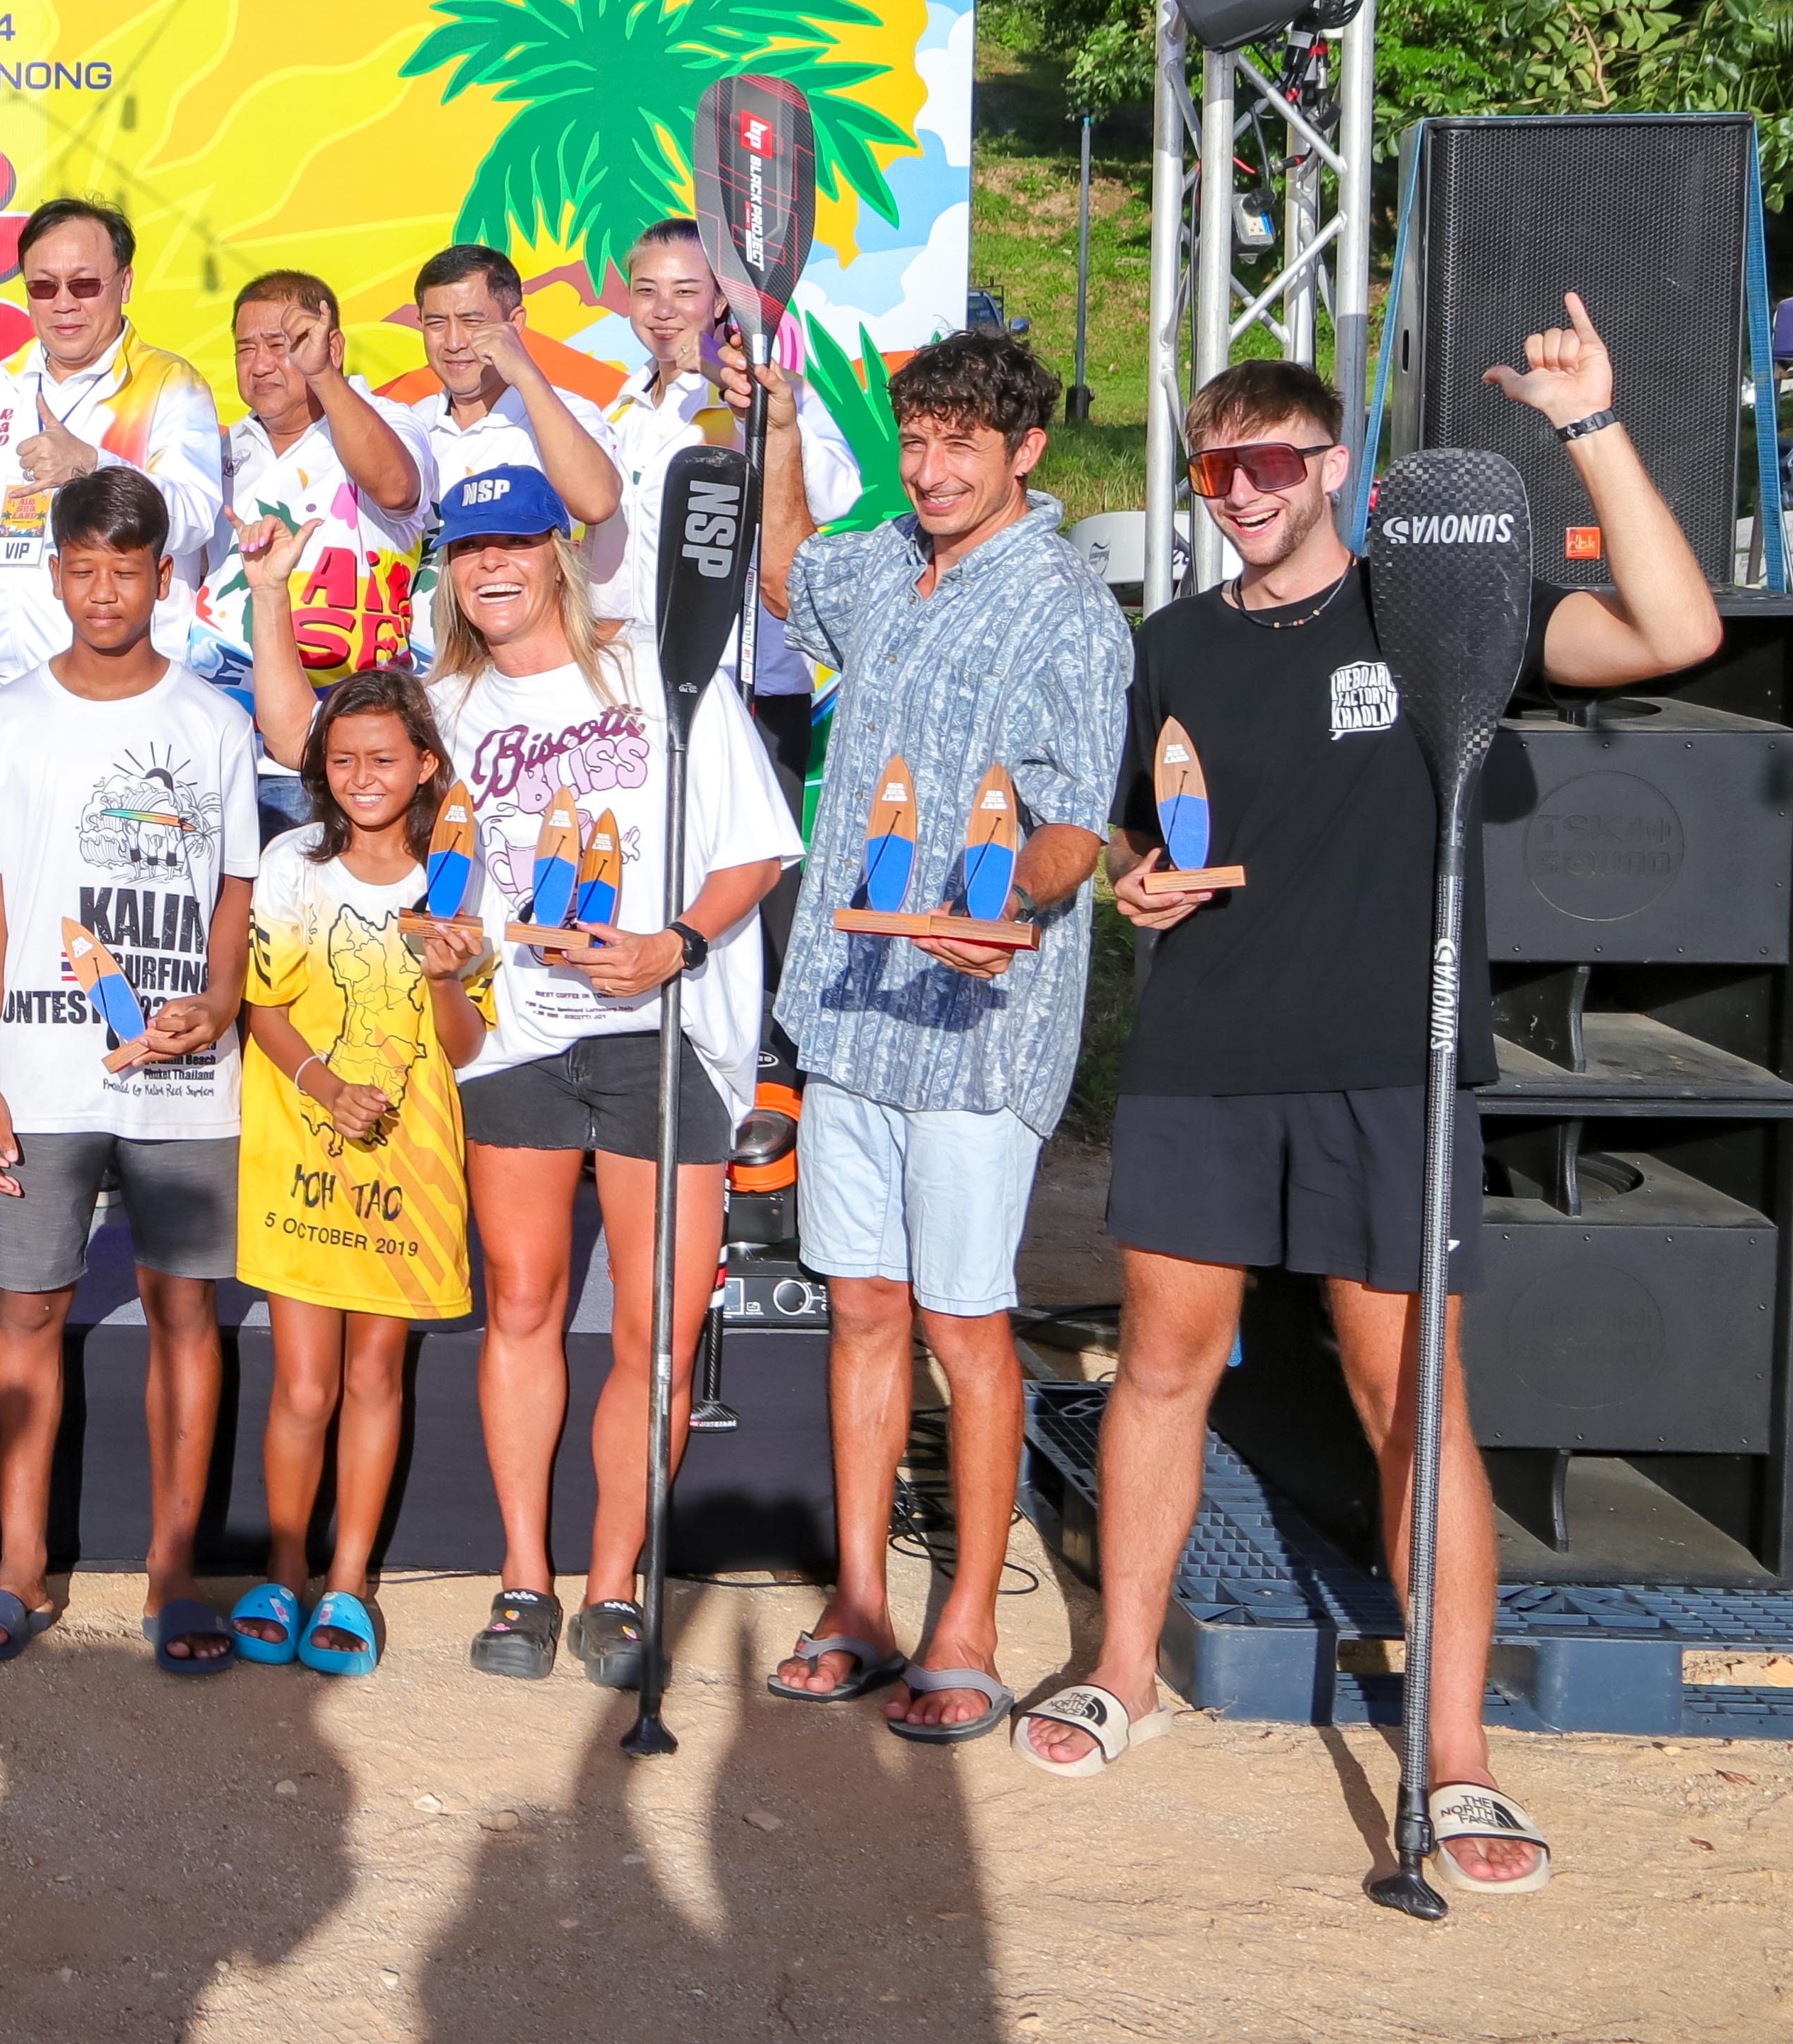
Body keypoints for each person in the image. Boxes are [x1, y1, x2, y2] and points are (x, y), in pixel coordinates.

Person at [1018, 312, 1715, 1893]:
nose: (1244, 493)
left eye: (1272, 463)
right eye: (1216, 471)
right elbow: (1136, 834)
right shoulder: (1172, 642)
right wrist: (1132, 880)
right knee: (1163, 1367)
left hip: (1387, 1060)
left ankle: (1456, 1757)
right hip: (1205, 1054)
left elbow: (1672, 631)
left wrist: (1590, 426)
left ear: (1333, 465)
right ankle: (1122, 1671)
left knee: (1412, 1400)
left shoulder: (1434, 605)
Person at [754, 330, 1126, 1742]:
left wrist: (1010, 901)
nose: (934, 467)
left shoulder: (1066, 605)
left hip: (976, 1028)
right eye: (917, 441)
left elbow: (1075, 824)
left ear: (1025, 450)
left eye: (963, 443)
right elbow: (789, 574)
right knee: (862, 1310)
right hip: (851, 1004)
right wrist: (777, 427)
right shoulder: (888, 559)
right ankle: (859, 1603)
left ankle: (966, 1622)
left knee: (965, 1325)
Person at [376, 461, 796, 1690]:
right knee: (521, 1306)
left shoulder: (659, 673)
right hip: (516, 1036)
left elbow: (756, 852)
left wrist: (676, 945)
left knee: (657, 1331)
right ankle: (524, 1577)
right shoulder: (442, 706)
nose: (491, 567)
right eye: (468, 550)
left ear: (557, 552)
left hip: (664, 1032)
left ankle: (614, 1584)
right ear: (447, 572)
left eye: (513, 543)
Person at [0, 466, 258, 1675]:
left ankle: (175, 1571)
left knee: (185, 1312)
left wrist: (218, 1005)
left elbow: (234, 895)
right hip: (38, 1074)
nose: (106, 591)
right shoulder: (4, 722)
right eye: (84, 568)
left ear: (165, 576)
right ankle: (21, 1562)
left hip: (183, 1081)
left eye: (128, 569)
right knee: (29, 1308)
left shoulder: (215, 723)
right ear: (57, 572)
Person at [217, 621, 481, 1680]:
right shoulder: (294, 863)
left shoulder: (459, 878)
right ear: (319, 769)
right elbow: (262, 1007)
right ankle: (283, 1570)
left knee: (377, 1377)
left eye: (384, 758)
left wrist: (447, 975)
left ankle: (350, 1580)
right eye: (342, 760)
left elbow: (464, 1047)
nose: (363, 778)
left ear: (426, 765)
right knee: (302, 1385)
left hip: (408, 1164)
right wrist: (326, 1086)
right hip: (302, 1153)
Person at [0, 197, 227, 753]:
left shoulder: (170, 384)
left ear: (124, 283)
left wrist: (93, 465)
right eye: (43, 286)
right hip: (3, 697)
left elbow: (196, 518)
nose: (63, 304)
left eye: (84, 285)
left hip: (123, 702)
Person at [592, 219, 863, 781]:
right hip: (631, 689)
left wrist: (736, 389)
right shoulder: (619, 409)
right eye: (647, 290)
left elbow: (837, 495)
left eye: (685, 291)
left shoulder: (774, 390)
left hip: (745, 687)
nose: (663, 309)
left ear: (721, 301)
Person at [187, 268, 427, 832]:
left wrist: (321, 376)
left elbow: (397, 489)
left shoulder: (389, 421)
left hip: (337, 754)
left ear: (332, 346)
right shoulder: (220, 448)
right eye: (245, 349)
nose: (260, 364)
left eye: (281, 346)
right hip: (224, 749)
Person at [387, 244, 622, 599]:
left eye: (471, 322)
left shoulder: (563, 414)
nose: (454, 342)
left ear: (515, 323)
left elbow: (597, 503)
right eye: (436, 323)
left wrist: (524, 373)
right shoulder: (408, 426)